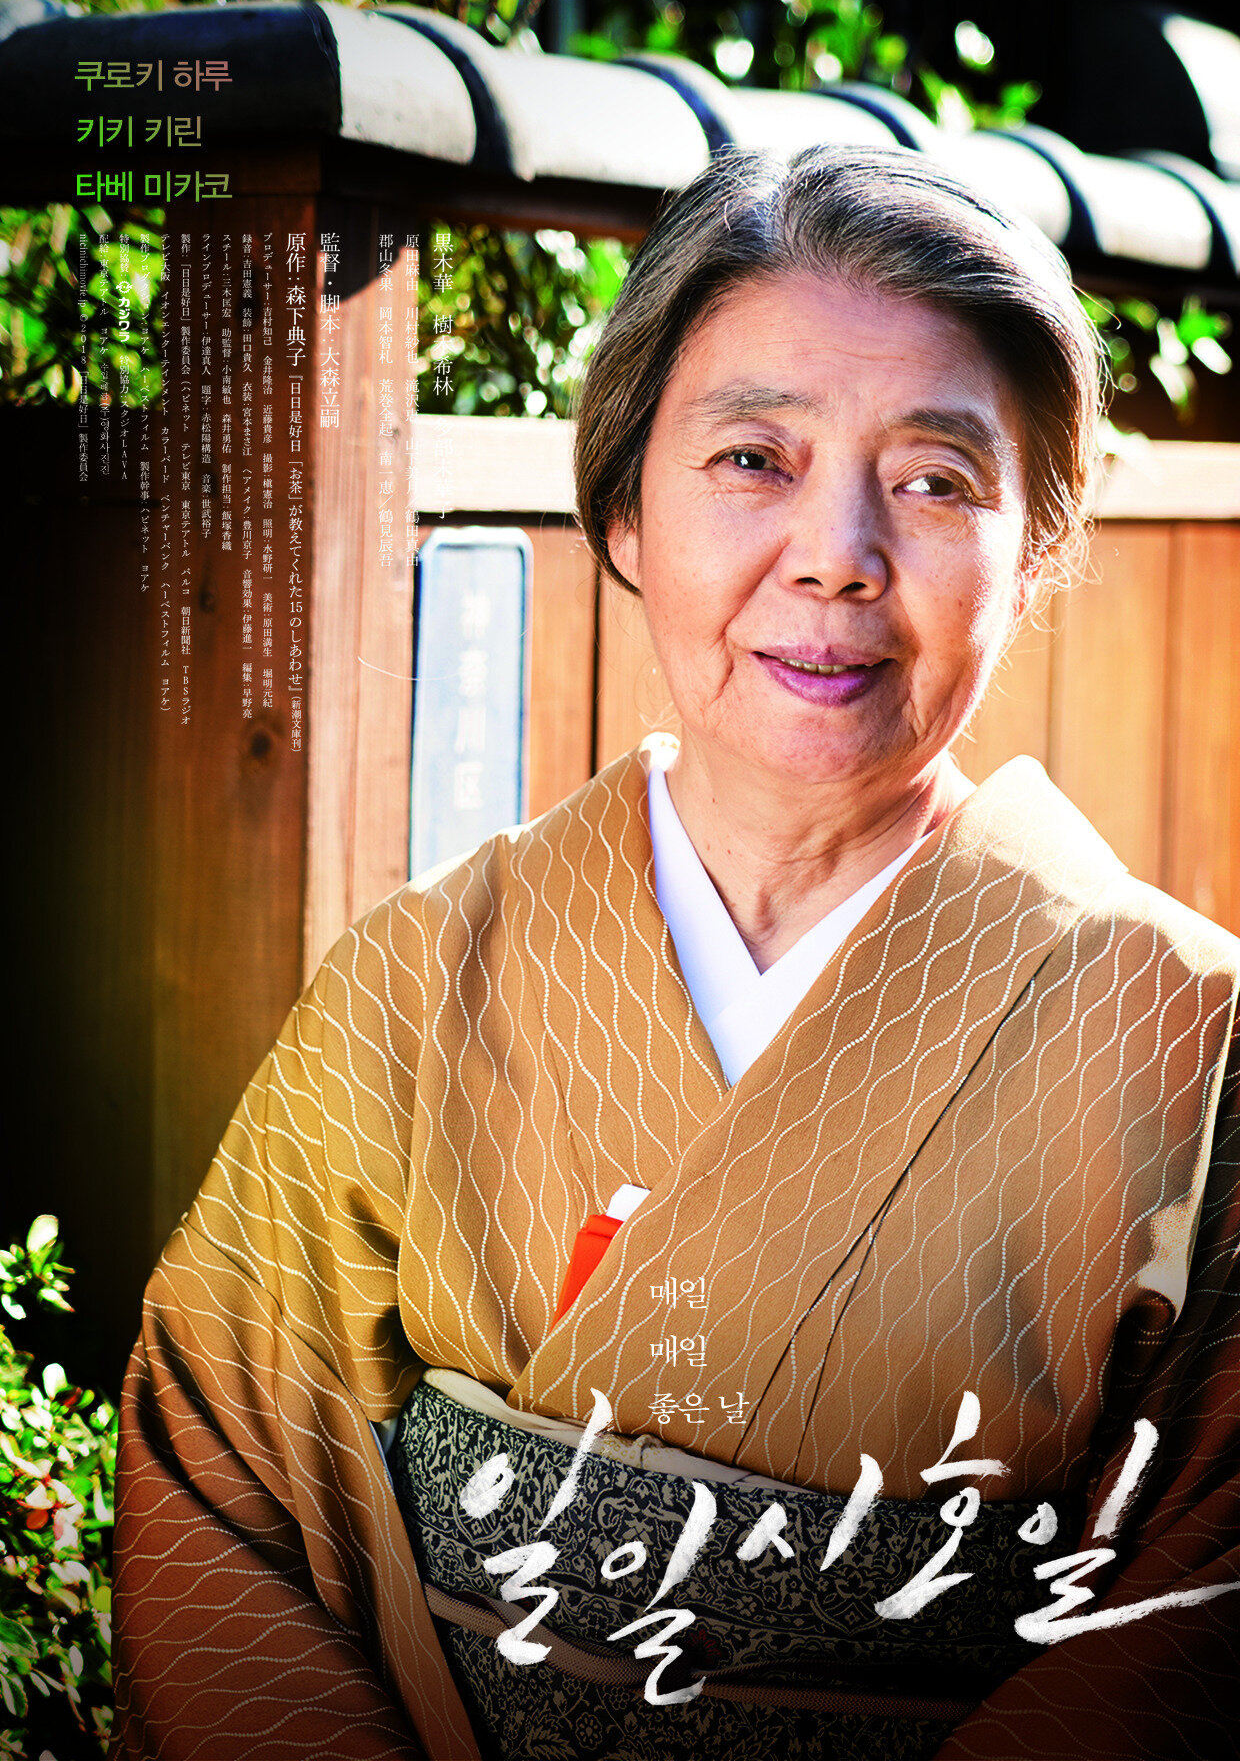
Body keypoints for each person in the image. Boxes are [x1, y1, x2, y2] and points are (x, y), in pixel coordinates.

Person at [112, 148, 1239, 1761]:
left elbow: (1195, 1601)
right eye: (752, 459)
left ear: (1037, 547)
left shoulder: (1187, 1035)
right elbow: (224, 1494)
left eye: (936, 480)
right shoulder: (415, 985)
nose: (838, 553)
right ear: (625, 507)